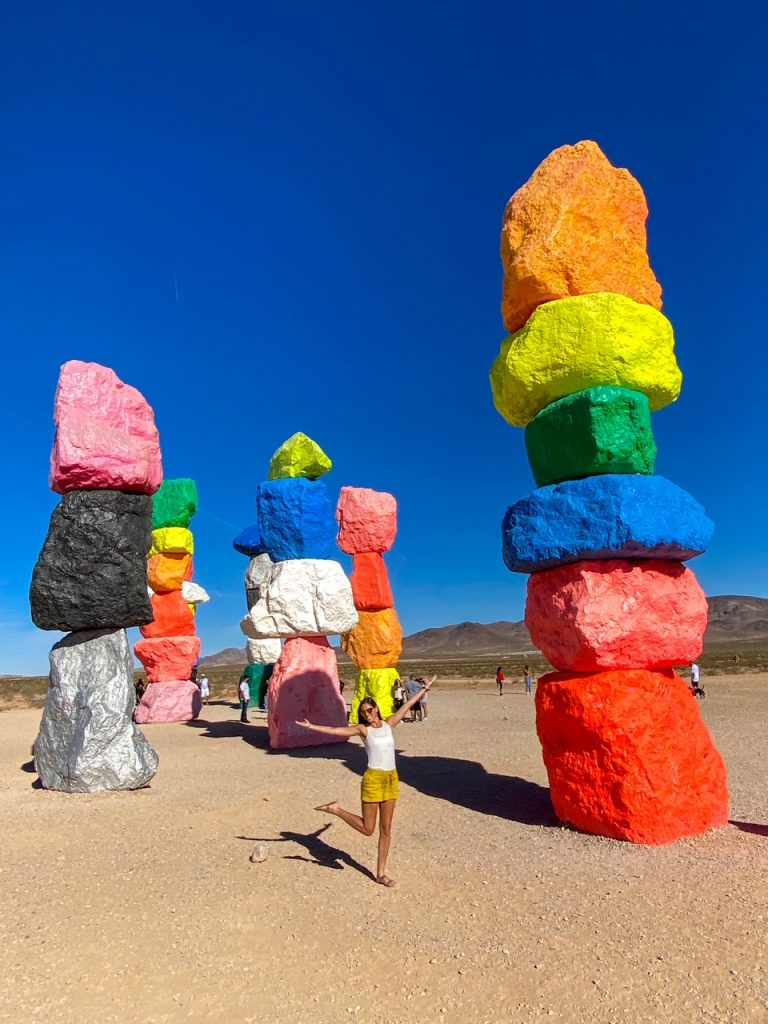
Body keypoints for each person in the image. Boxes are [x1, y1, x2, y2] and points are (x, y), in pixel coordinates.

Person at [297, 675, 436, 887]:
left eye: (370, 710)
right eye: (364, 713)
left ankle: (381, 873)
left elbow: (407, 704)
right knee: (368, 829)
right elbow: (337, 731)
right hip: (372, 780)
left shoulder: (389, 724)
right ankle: (337, 810)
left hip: (391, 779)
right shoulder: (364, 730)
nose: (368, 715)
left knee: (386, 829)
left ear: (377, 709)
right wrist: (312, 727)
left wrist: (425, 688)